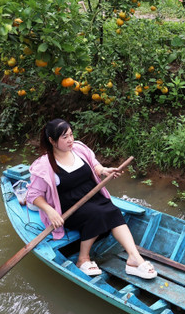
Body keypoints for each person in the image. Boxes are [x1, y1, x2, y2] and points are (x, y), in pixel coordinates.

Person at [26, 118, 157, 279]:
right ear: (52, 141)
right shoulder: (44, 165)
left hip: (92, 196)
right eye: (64, 137)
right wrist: (50, 211)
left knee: (112, 210)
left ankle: (134, 258)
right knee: (96, 214)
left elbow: (95, 165)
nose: (70, 140)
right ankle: (83, 260)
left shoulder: (79, 149)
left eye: (71, 135)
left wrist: (104, 171)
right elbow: (33, 196)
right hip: (69, 207)